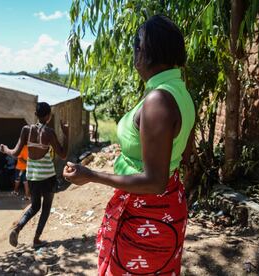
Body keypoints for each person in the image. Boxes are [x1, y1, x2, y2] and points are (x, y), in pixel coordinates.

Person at [63, 15, 195, 275]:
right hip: (165, 208)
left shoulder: (158, 99)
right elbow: (186, 153)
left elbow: (154, 181)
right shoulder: (179, 91)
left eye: (137, 44)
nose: (134, 51)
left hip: (147, 214)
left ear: (146, 52)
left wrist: (90, 175)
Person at [0, 102, 69, 248]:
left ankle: (17, 228)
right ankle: (36, 239)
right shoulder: (49, 133)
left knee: (34, 206)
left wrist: (5, 149)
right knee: (46, 208)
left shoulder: (26, 130)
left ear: (36, 115)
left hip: (32, 177)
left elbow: (16, 153)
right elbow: (63, 155)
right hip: (48, 177)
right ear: (49, 116)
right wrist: (66, 134)